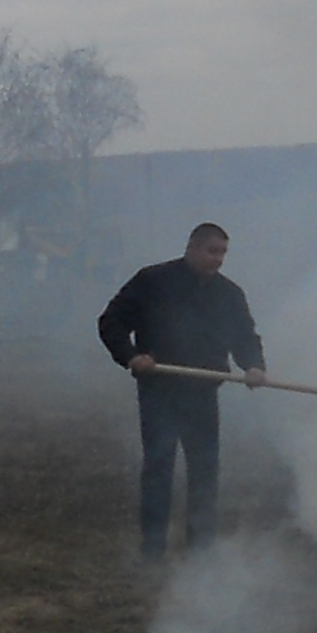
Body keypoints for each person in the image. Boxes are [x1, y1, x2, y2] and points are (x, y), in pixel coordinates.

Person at [96, 222, 267, 557]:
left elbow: (244, 336)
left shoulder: (229, 294)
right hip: (160, 391)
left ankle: (201, 547)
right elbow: (110, 322)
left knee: (205, 469)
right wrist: (131, 356)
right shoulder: (152, 281)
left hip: (203, 393)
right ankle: (153, 548)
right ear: (191, 247)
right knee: (159, 466)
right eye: (211, 251)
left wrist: (254, 365)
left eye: (222, 253)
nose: (217, 259)